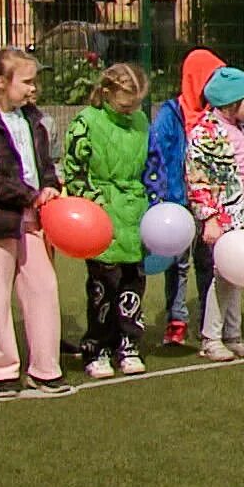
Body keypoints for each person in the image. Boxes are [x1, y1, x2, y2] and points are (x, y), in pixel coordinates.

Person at [0, 47, 69, 399]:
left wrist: (50, 186)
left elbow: (45, 164)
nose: (33, 88)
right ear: (1, 83)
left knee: (43, 288)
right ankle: (2, 370)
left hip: (35, 218)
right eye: (27, 81)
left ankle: (45, 368)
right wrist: (26, 194)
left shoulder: (34, 120)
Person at [59, 63, 153, 379]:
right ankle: (96, 347)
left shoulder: (141, 121)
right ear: (108, 92)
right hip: (100, 216)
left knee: (133, 284)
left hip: (134, 210)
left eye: (137, 103)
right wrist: (94, 205)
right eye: (127, 102)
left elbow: (148, 164)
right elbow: (74, 169)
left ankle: (128, 344)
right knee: (103, 286)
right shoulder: (86, 122)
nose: (132, 109)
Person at [186, 65, 244, 363]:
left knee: (235, 274)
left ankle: (234, 335)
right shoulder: (204, 133)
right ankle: (211, 337)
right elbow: (198, 179)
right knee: (221, 275)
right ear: (231, 102)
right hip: (222, 215)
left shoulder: (241, 128)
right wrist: (209, 217)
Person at [144, 47, 224, 346]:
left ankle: (208, 320)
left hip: (207, 203)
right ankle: (176, 319)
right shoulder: (170, 115)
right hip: (176, 202)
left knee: (208, 261)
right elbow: (158, 156)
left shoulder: (214, 117)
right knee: (177, 263)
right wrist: (162, 198)